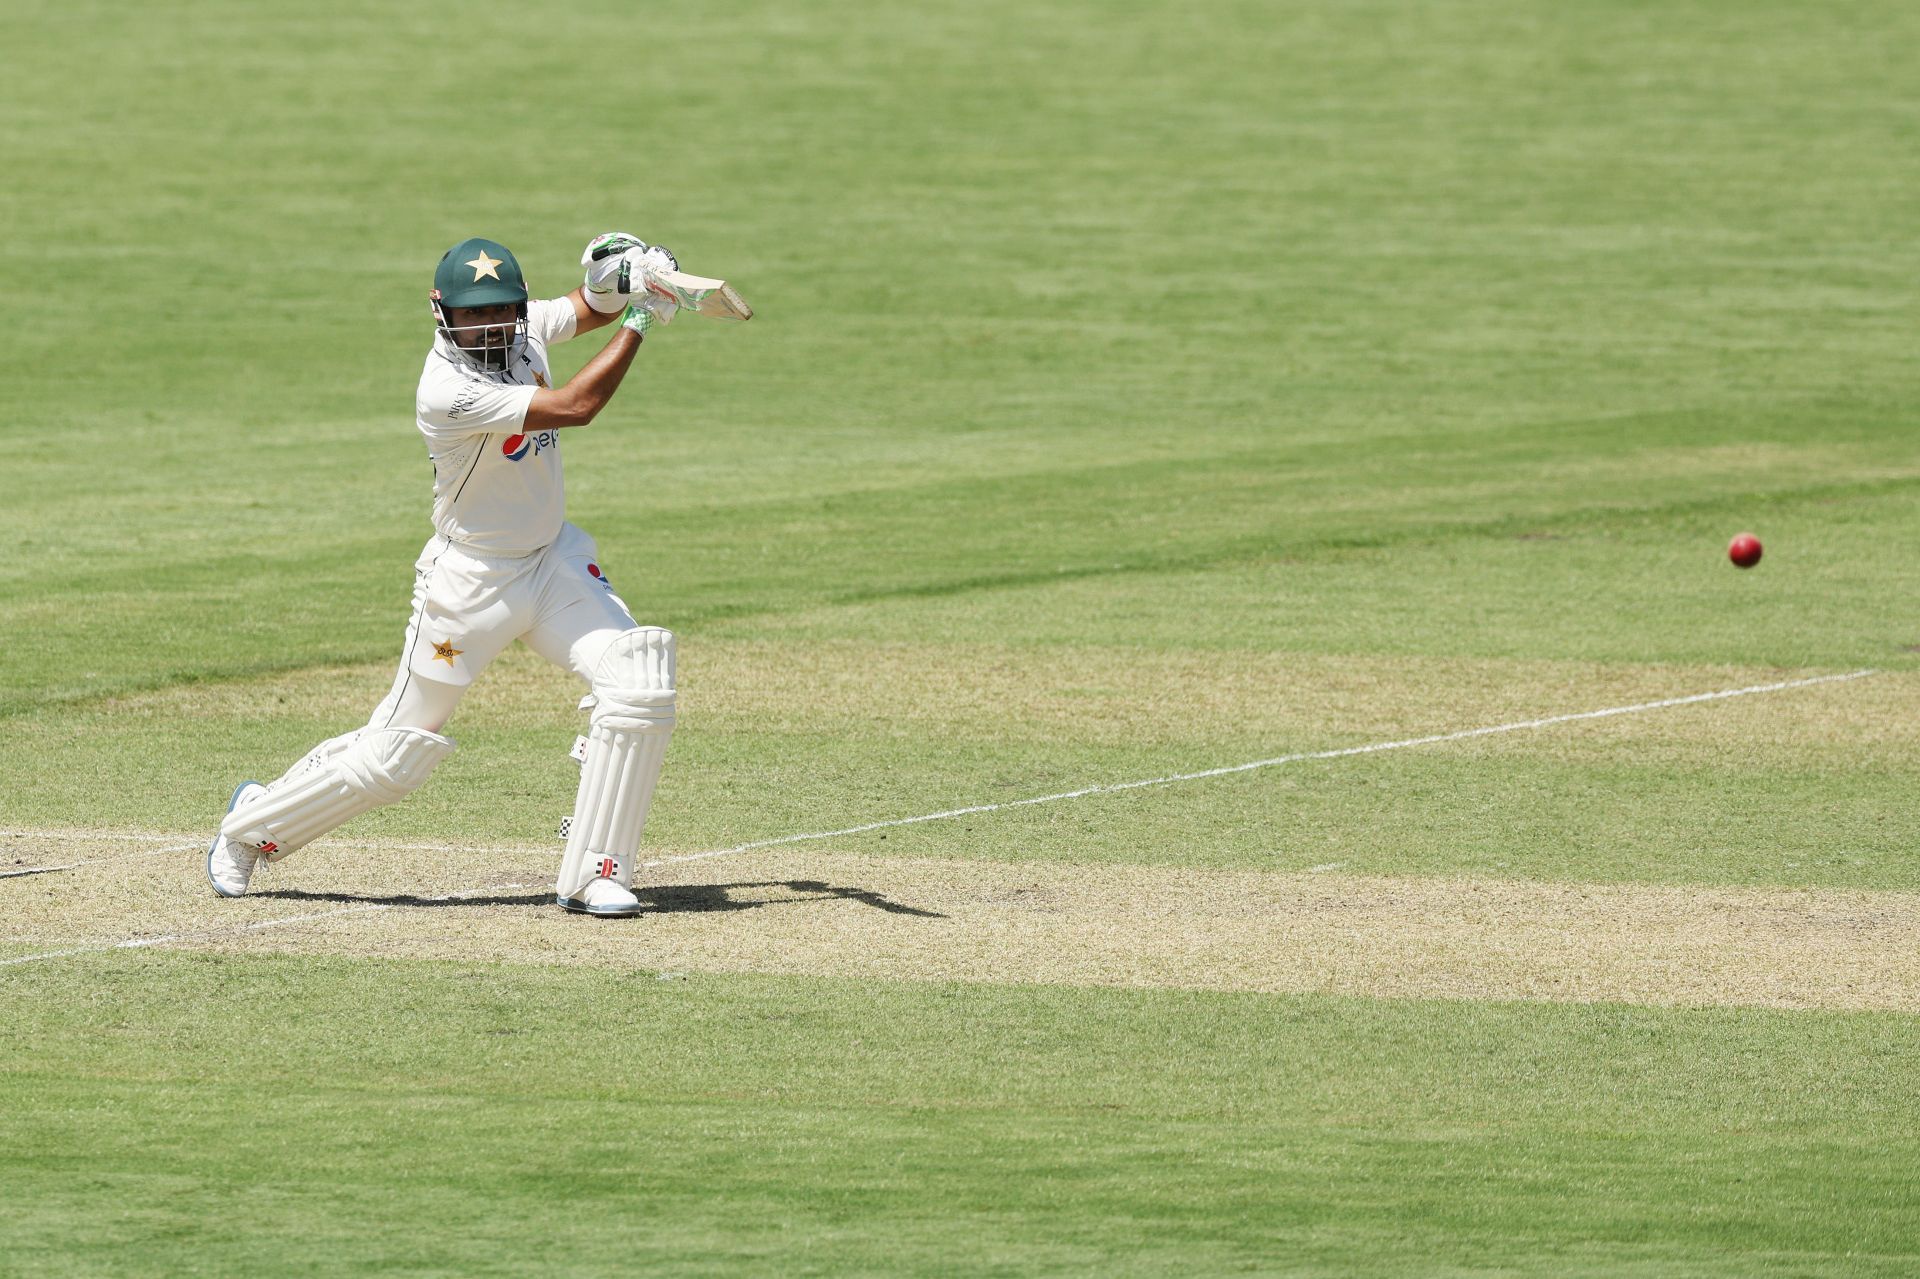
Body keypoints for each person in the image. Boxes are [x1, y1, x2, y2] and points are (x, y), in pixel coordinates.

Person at [206, 233, 683, 917]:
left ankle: (595, 870)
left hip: (551, 563)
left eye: (501, 313)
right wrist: (643, 317)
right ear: (442, 311)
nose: (489, 328)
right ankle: (252, 826)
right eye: (471, 316)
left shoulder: (525, 332)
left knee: (639, 681)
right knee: (394, 756)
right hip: (470, 585)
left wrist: (629, 277)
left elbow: (588, 306)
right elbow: (578, 406)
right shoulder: (447, 388)